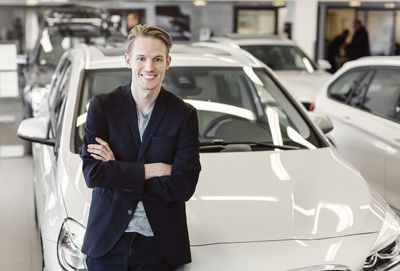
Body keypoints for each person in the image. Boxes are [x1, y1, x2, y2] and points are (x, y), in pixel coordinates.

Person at [80, 24, 201, 271]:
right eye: (141, 58)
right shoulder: (102, 107)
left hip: (160, 247)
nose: (149, 67)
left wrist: (118, 169)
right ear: (128, 60)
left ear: (168, 62)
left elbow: (183, 186)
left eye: (157, 59)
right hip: (107, 244)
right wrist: (153, 169)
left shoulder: (184, 114)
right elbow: (94, 174)